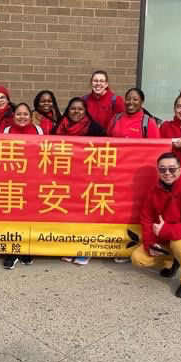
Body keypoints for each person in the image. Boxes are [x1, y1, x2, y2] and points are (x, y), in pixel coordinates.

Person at [131, 152, 181, 298]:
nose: (167, 173)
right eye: (162, 169)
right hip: (165, 240)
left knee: (179, 244)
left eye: (172, 169)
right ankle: (172, 260)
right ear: (158, 171)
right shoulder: (152, 193)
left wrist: (166, 230)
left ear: (180, 170)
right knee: (137, 258)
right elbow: (146, 220)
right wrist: (150, 244)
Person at [106, 87, 160, 263]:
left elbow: (155, 151)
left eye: (135, 99)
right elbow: (107, 143)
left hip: (137, 178)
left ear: (142, 102)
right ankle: (117, 245)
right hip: (116, 174)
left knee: (134, 212)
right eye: (128, 99)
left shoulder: (148, 122)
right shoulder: (116, 118)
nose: (130, 102)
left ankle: (133, 247)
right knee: (117, 210)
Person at [52, 97, 105, 266]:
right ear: (67, 110)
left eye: (80, 109)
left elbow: (107, 148)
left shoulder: (95, 128)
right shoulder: (59, 127)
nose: (76, 112)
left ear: (85, 111)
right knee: (68, 214)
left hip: (87, 177)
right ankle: (70, 247)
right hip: (64, 177)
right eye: (73, 109)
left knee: (85, 214)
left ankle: (85, 250)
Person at [2, 103, 39, 269]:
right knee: (11, 217)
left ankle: (25, 249)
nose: (22, 117)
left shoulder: (38, 131)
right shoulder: (6, 131)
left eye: (25, 114)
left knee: (28, 217)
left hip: (31, 181)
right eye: (19, 114)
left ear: (30, 117)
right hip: (11, 180)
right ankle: (11, 251)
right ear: (13, 116)